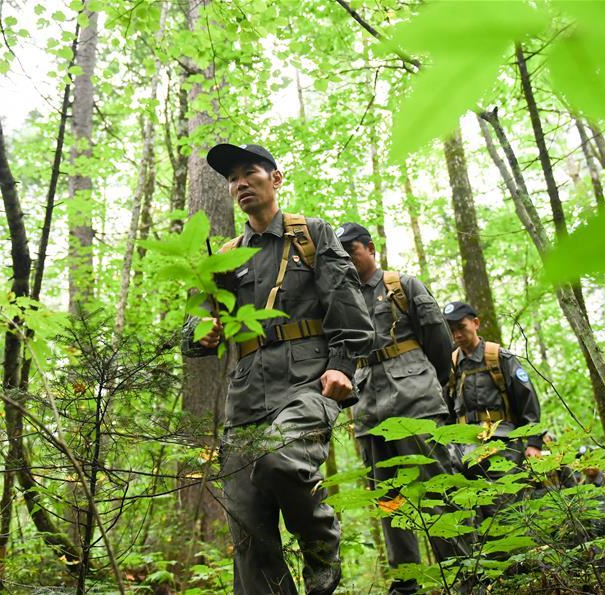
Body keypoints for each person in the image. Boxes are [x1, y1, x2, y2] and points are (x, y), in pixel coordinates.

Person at [182, 143, 374, 595]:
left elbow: (348, 306)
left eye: (250, 173)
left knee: (278, 458)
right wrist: (201, 333)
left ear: (276, 179)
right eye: (233, 179)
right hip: (246, 396)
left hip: (309, 384)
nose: (241, 184)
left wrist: (343, 366)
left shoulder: (311, 234)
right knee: (248, 530)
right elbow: (192, 326)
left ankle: (321, 548)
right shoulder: (227, 255)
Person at [337, 222, 468, 595]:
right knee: (389, 499)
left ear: (370, 249)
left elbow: (440, 344)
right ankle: (407, 582)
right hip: (368, 412)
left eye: (353, 250)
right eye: (341, 252)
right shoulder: (342, 297)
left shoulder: (402, 286)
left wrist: (433, 390)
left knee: (435, 487)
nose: (347, 258)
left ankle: (461, 573)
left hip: (416, 403)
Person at [443, 301, 543, 520]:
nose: (457, 334)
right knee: (469, 517)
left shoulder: (500, 358)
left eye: (461, 327)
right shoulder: (450, 365)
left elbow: (528, 400)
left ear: (475, 323)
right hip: (462, 451)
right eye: (452, 330)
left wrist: (534, 443)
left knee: (504, 512)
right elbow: (446, 411)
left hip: (501, 445)